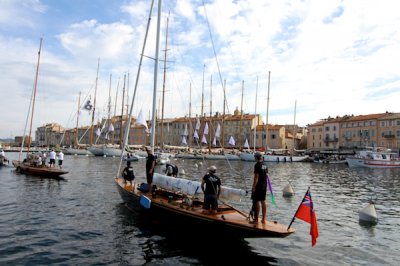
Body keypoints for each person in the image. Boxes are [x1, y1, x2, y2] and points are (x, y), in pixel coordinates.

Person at [251, 152, 268, 224]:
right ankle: (263, 219)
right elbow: (267, 176)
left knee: (257, 201)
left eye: (254, 157)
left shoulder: (257, 165)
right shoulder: (265, 164)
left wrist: (254, 187)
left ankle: (256, 220)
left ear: (256, 157)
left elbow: (256, 177)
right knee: (263, 201)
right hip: (264, 185)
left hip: (258, 185)